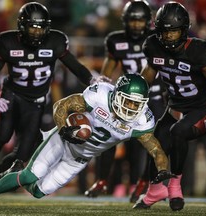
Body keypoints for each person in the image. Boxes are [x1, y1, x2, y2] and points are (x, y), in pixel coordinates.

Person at [0, 73, 175, 210]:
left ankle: (13, 176)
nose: (131, 107)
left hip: (79, 159)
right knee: (31, 174)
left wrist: (163, 170)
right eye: (128, 100)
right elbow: (61, 106)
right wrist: (64, 128)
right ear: (115, 95)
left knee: (38, 191)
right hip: (63, 140)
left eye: (136, 103)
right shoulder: (99, 95)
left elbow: (156, 149)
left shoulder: (141, 120)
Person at [0, 2, 94, 201]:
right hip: (12, 95)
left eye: (40, 27)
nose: (36, 32)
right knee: (2, 137)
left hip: (36, 101)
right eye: (32, 26)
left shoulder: (55, 41)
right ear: (22, 26)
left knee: (21, 155)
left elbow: (75, 66)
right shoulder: (8, 42)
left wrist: (92, 80)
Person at [132, 1, 206, 211]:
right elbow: (147, 77)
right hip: (175, 107)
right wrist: (134, 95)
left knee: (178, 132)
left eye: (174, 32)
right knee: (157, 139)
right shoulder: (153, 47)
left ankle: (175, 186)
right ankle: (154, 190)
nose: (168, 36)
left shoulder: (198, 51)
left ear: (184, 30)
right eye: (164, 32)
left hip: (203, 109)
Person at [84, 0, 166, 202]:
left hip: (153, 96)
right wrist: (103, 85)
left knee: (150, 143)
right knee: (109, 133)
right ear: (125, 20)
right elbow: (108, 70)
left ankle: (144, 182)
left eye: (140, 21)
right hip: (126, 100)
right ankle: (102, 180)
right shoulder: (116, 40)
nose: (137, 25)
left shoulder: (157, 39)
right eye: (133, 20)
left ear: (148, 21)